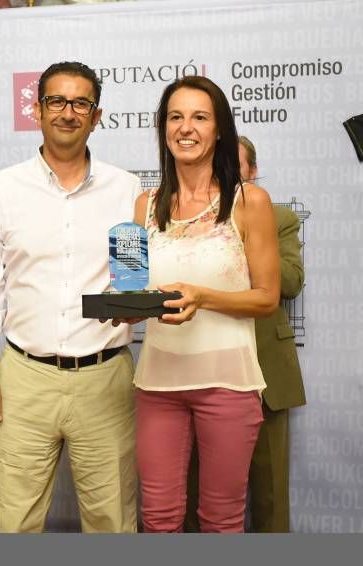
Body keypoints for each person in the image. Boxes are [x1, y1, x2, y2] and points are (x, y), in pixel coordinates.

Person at [0, 61, 140, 533]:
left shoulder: (126, 188)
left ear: (96, 114)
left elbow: (131, 283)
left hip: (105, 377)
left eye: (80, 102)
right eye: (57, 101)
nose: (68, 112)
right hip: (23, 379)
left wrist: (132, 302)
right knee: (17, 523)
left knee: (113, 524)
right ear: (38, 109)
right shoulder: (4, 188)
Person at [130, 77, 280, 533]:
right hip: (157, 385)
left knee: (221, 519)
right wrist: (117, 306)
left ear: (219, 130)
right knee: (157, 519)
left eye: (200, 117)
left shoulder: (249, 201)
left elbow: (267, 297)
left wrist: (204, 296)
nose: (186, 127)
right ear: (163, 129)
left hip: (228, 386)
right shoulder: (142, 205)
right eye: (176, 117)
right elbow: (131, 296)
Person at [184, 136, 306, 533]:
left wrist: (251, 244)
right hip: (204, 371)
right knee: (197, 492)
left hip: (265, 371)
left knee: (270, 495)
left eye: (236, 167)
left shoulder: (278, 217)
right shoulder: (188, 217)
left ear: (253, 172)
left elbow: (290, 280)